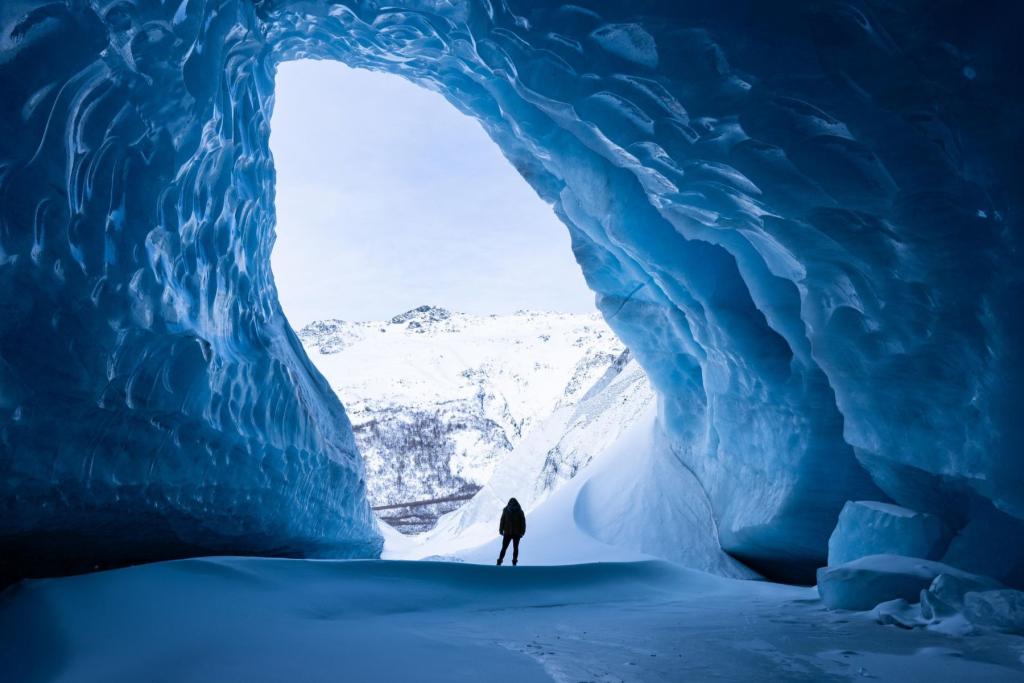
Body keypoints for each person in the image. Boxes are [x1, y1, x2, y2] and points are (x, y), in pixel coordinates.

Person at [497, 497, 526, 566]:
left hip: (510, 533)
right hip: (515, 533)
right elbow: (523, 522)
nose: (512, 504)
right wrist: (522, 532)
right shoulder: (519, 511)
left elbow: (502, 520)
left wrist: (501, 530)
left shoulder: (507, 510)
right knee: (512, 548)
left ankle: (500, 562)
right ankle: (512, 563)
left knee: (506, 548)